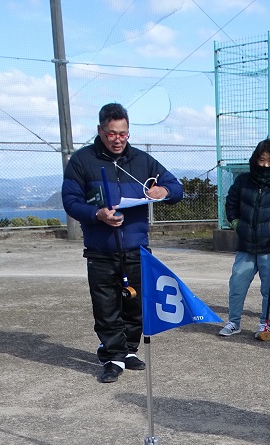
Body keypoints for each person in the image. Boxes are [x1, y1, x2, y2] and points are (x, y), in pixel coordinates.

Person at [62, 103, 184, 383]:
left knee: (135, 304)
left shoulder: (142, 161)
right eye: (111, 134)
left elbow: (176, 188)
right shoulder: (81, 161)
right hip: (101, 249)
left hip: (136, 248)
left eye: (123, 134)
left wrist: (163, 190)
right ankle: (113, 356)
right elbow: (70, 201)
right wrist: (97, 214)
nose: (118, 140)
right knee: (106, 306)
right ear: (100, 130)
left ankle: (129, 350)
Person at [219, 140, 270, 339]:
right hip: (246, 246)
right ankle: (233, 322)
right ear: (255, 159)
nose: (265, 165)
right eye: (261, 160)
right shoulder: (243, 181)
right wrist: (238, 226)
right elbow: (231, 205)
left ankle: (265, 324)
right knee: (237, 285)